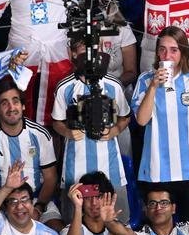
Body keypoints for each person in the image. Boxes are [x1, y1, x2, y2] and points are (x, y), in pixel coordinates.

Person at [132, 25, 189, 221]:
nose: (167, 55)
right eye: (162, 49)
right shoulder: (145, 80)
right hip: (156, 169)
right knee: (158, 227)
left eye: (173, 50)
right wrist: (153, 86)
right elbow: (141, 120)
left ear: (183, 52)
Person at [50, 37, 133, 220]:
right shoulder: (64, 87)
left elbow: (125, 116)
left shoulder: (113, 85)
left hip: (109, 164)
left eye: (93, 50)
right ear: (73, 54)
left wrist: (115, 131)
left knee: (117, 219)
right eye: (83, 51)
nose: (89, 56)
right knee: (74, 220)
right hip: (76, 164)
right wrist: (67, 132)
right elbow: (56, 122)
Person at [0, 77, 61, 228]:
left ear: (23, 106)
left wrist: (38, 208)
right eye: (4, 103)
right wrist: (8, 206)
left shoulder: (40, 134)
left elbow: (50, 177)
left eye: (15, 101)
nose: (11, 107)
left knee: (58, 231)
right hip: (1, 202)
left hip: (36, 200)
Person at [0, 159, 62, 235]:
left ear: (32, 204)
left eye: (24, 200)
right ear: (6, 207)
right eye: (13, 201)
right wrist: (7, 188)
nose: (19, 206)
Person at [105, 186, 189, 235]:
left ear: (173, 208)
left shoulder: (187, 232)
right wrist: (109, 222)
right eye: (152, 203)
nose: (158, 207)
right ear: (146, 211)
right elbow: (124, 234)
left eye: (164, 203)